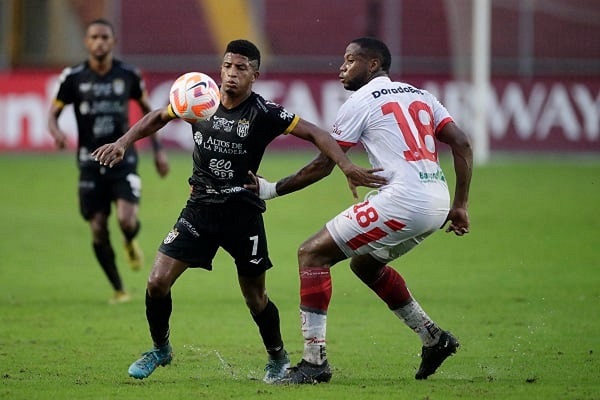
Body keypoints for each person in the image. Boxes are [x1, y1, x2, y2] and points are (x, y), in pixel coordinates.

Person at [91, 39, 386, 383]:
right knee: (157, 282)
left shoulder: (264, 113)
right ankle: (160, 348)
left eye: (241, 68)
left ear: (255, 75)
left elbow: (317, 133)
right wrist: (123, 143)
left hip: (242, 215)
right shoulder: (200, 99)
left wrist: (346, 165)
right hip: (199, 209)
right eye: (228, 66)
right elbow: (158, 116)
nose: (232, 74)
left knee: (256, 297)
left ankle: (277, 357)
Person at [251, 37, 473, 384]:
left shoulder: (362, 101)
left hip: (403, 200)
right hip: (437, 200)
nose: (342, 66)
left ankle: (314, 362)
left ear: (373, 65)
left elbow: (324, 164)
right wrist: (460, 205)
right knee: (366, 265)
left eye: (350, 59)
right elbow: (461, 142)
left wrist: (272, 189)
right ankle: (433, 337)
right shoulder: (421, 95)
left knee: (311, 254)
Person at [48, 18, 170, 304]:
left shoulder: (128, 75)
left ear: (113, 42)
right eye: (94, 37)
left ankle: (129, 241)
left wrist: (159, 151)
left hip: (122, 159)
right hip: (89, 162)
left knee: (126, 221)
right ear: (87, 42)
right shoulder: (73, 77)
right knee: (98, 227)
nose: (100, 42)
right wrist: (56, 133)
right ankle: (119, 288)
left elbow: (149, 113)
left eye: (105, 37)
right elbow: (52, 114)